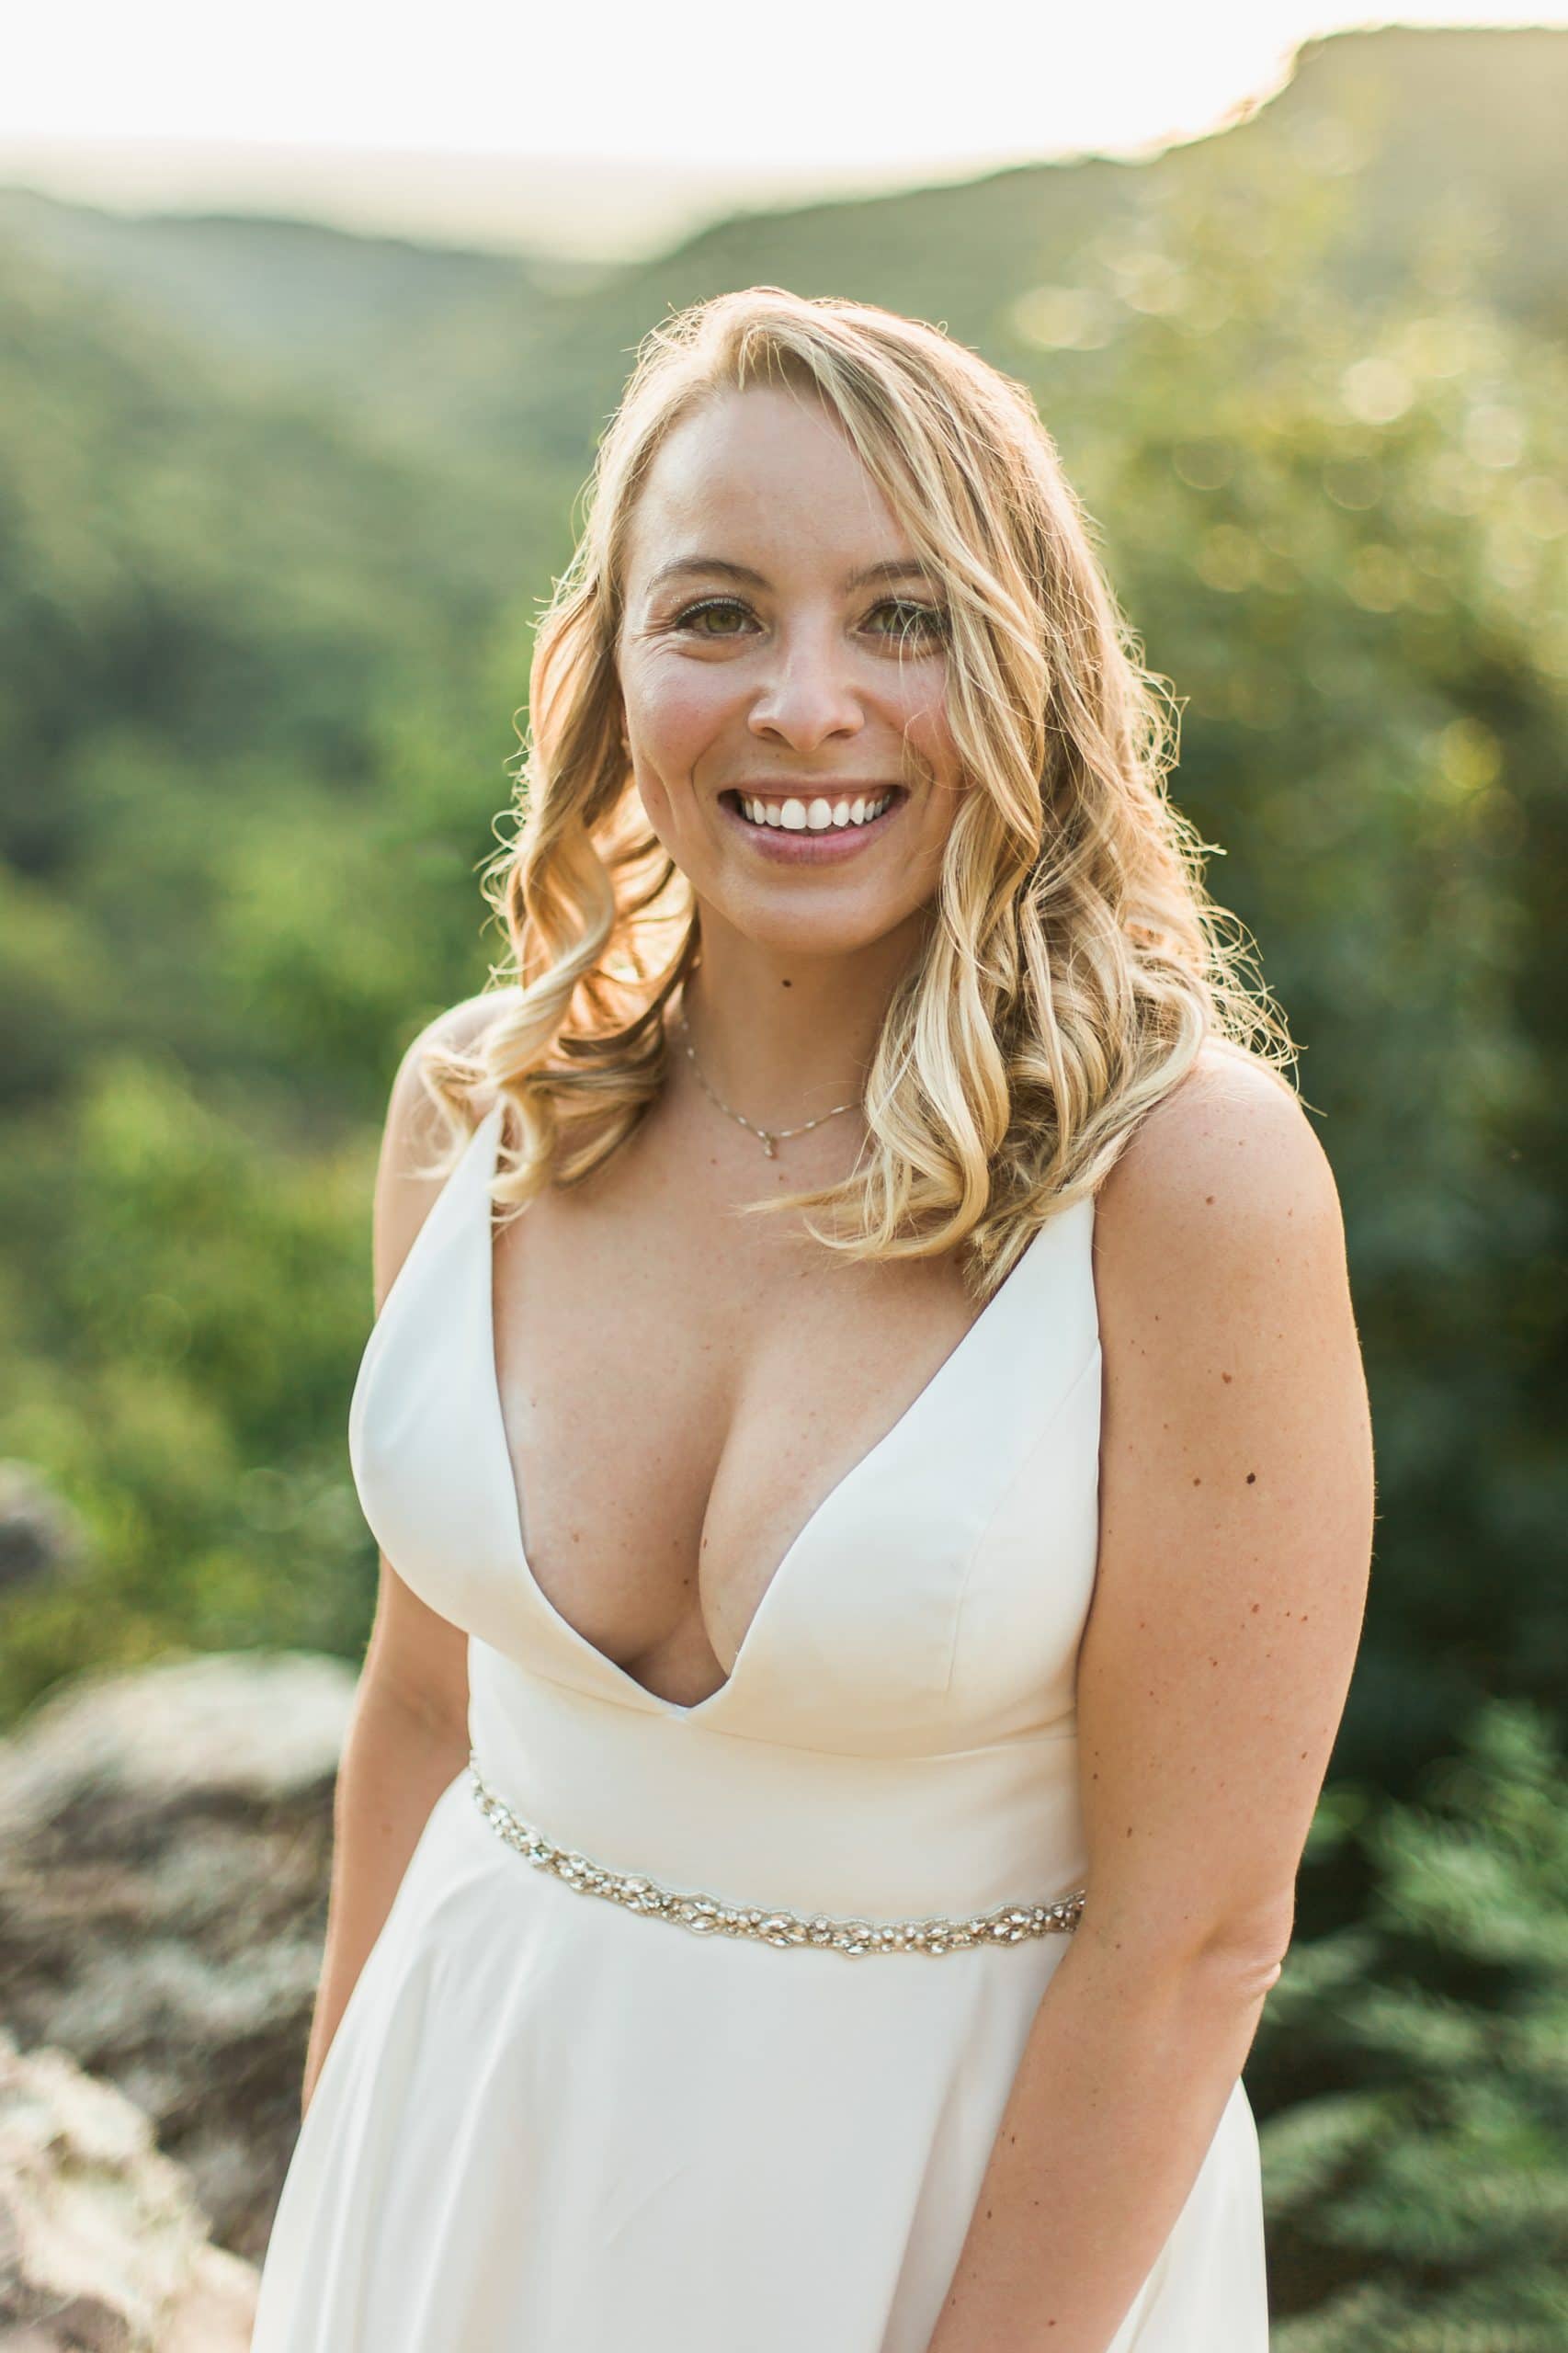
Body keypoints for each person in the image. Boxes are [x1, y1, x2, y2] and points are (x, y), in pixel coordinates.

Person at [248, 285, 1374, 2352]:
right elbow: (425, 1711)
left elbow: (1194, 1935)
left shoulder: (1187, 1183)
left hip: (935, 2232)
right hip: (465, 2145)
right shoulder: (476, 1107)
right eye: (715, 613)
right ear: (608, 665)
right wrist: (340, 2197)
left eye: (904, 616)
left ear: (1026, 668)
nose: (805, 701)